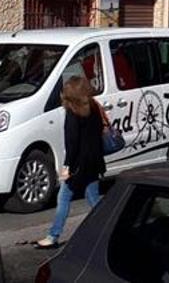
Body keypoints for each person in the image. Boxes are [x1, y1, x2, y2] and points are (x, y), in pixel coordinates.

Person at [37, 76, 105, 248]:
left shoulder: (72, 113)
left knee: (64, 198)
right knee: (93, 198)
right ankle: (110, 227)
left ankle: (53, 236)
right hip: (94, 161)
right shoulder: (94, 107)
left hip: (78, 165)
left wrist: (67, 167)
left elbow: (72, 143)